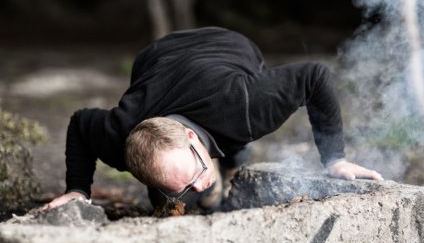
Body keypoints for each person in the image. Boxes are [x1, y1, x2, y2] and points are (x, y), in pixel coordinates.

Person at [44, 27, 382, 213]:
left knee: (235, 145)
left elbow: (315, 75)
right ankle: (194, 185)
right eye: (188, 181)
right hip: (156, 57)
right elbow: (79, 122)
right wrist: (77, 189)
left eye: (199, 173)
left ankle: (231, 166)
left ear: (192, 139)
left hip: (229, 47)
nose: (199, 181)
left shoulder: (249, 105)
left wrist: (335, 158)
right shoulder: (117, 136)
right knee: (172, 205)